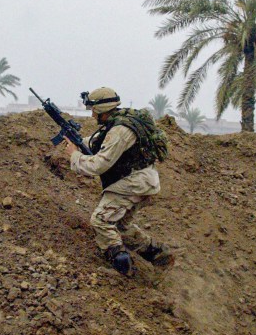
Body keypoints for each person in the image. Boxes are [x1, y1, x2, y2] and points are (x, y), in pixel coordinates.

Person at [62, 87, 174, 276]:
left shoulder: (120, 131)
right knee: (121, 226)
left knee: (101, 220)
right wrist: (76, 142)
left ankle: (122, 271)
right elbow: (97, 142)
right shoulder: (119, 123)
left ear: (101, 110)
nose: (91, 115)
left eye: (93, 110)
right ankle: (158, 254)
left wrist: (75, 157)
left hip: (134, 182)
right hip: (142, 180)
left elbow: (99, 165)